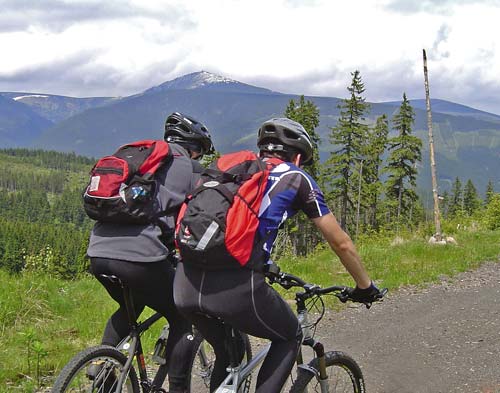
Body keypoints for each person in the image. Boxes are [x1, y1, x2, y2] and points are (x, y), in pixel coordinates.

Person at [173, 117, 382, 393]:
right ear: (297, 156)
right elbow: (341, 242)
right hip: (234, 287)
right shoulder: (295, 177)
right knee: (289, 336)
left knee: (229, 353)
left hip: (184, 285)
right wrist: (365, 287)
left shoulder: (234, 172)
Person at [86, 112, 214, 393]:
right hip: (139, 257)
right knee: (183, 317)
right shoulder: (188, 168)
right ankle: (178, 388)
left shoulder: (144, 160)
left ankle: (103, 371)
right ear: (195, 147)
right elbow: (196, 220)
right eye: (200, 154)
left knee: (130, 307)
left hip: (97, 254)